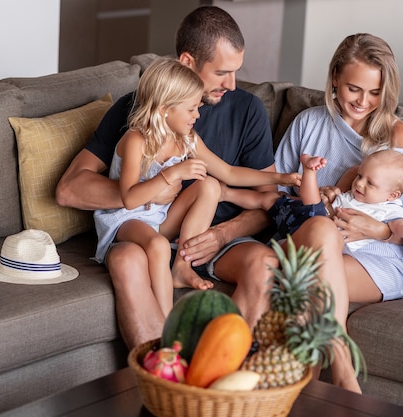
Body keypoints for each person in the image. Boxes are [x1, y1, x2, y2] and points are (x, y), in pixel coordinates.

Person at [56, 6, 284, 351]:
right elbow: (70, 189)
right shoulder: (138, 109)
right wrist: (154, 190)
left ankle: (219, 377)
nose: (232, 84)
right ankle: (164, 372)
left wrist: (222, 233)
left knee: (265, 265)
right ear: (188, 62)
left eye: (236, 72)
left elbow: (267, 201)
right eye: (222, 72)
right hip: (147, 229)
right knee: (125, 258)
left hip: (214, 241)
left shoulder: (248, 110)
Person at [273, 33, 403, 392]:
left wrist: (377, 230)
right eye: (353, 89)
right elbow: (277, 193)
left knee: (306, 284)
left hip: (377, 259)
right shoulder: (308, 123)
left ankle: (304, 391)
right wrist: (321, 200)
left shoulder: (398, 138)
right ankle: (334, 381)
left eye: (375, 92)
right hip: (315, 242)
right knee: (310, 271)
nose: (363, 102)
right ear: (334, 78)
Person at [93, 58, 300, 317]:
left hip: (157, 218)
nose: (198, 115)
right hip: (125, 220)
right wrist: (172, 174)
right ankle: (166, 323)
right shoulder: (136, 140)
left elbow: (229, 173)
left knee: (210, 185)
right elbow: (129, 199)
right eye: (191, 109)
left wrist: (280, 179)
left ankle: (182, 265)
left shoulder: (186, 138)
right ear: (165, 109)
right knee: (156, 245)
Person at [225, 149, 403, 250]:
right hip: (310, 216)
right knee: (270, 199)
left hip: (321, 237)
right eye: (360, 176)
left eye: (370, 183)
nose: (359, 184)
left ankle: (309, 171)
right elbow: (325, 203)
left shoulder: (390, 211)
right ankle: (226, 193)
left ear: (392, 195)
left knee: (313, 212)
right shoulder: (352, 194)